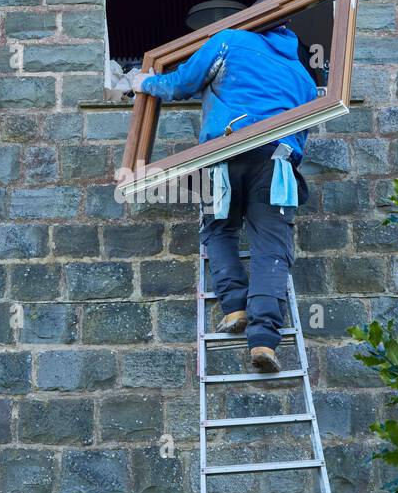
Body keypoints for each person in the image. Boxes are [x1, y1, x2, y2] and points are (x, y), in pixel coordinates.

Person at [132, 23, 316, 373]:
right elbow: (302, 134)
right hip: (275, 161)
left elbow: (181, 83)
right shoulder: (302, 76)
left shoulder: (230, 40)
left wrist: (142, 83)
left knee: (218, 229)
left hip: (223, 151)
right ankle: (264, 340)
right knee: (271, 246)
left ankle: (234, 307)